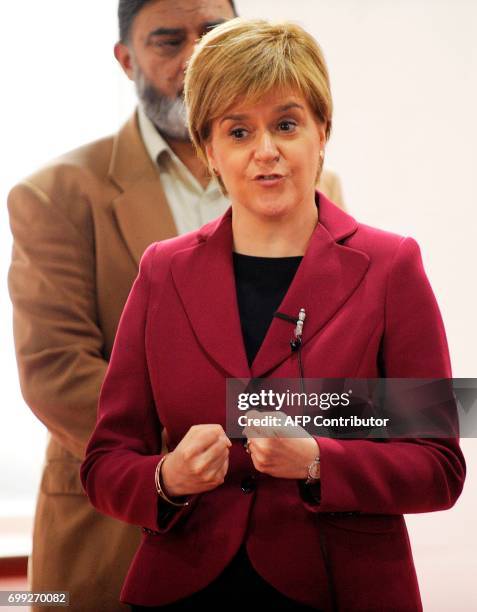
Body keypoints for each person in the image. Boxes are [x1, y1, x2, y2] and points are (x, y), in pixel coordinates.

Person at [80, 17, 465, 611]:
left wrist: (317, 460)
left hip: (343, 589)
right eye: (238, 132)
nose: (266, 152)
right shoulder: (163, 271)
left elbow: (438, 466)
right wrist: (167, 478)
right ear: (209, 150)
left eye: (286, 124)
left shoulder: (391, 266)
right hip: (186, 587)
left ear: (322, 133)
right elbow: (105, 463)